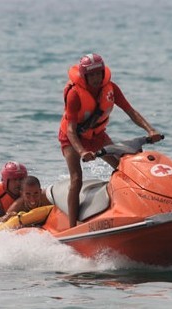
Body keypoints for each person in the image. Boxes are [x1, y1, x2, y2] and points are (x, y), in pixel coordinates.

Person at [58, 53, 162, 227]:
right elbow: (70, 130)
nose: (96, 78)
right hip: (72, 138)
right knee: (76, 179)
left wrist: (150, 130)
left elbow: (131, 111)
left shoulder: (111, 88)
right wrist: (82, 151)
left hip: (97, 136)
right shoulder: (74, 94)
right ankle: (72, 227)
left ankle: (140, 208)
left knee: (124, 168)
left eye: (98, 73)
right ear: (84, 76)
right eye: (91, 75)